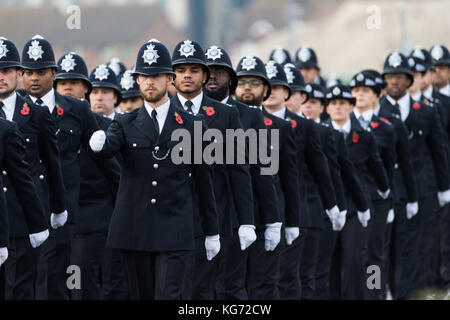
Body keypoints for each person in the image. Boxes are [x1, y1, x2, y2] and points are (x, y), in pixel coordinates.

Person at [88, 40, 220, 299]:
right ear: (137, 80)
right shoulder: (125, 123)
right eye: (144, 76)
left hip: (174, 228)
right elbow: (110, 146)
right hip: (134, 229)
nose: (150, 82)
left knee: (168, 295)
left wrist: (212, 230)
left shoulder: (192, 124)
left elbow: (204, 181)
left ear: (170, 79)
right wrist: (100, 143)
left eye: (156, 76)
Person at [169, 40, 255, 299]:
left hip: (213, 215)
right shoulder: (161, 112)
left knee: (205, 290)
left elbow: (238, 169)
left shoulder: (226, 114)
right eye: (180, 70)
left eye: (193, 70)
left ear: (203, 76)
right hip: (168, 217)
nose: (186, 76)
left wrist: (247, 221)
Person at [21, 35, 100, 300]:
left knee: (54, 279)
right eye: (29, 72)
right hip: (21, 210)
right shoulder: (11, 110)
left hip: (61, 212)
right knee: (22, 279)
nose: (34, 78)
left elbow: (104, 161)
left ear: (53, 73)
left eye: (41, 72)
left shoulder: (76, 109)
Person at [204, 47, 280, 299]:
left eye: (219, 72)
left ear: (231, 79)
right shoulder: (187, 112)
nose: (213, 77)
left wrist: (271, 220)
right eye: (209, 72)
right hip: (197, 215)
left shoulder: (249, 116)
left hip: (236, 216)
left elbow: (263, 171)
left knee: (231, 286)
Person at [379, 51, 450, 299]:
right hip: (386, 192)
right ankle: (381, 292)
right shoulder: (377, 112)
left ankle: (408, 294)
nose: (395, 83)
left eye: (400, 77)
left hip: (420, 190)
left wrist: (444, 188)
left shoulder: (426, 111)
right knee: (383, 250)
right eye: (390, 77)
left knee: (416, 247)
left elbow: (439, 151)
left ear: (410, 81)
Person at [0, 36, 66, 300]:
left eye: (6, 71)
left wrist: (58, 209)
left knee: (19, 289)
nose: (1, 77)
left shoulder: (37, 114)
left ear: (19, 73)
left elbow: (52, 164)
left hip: (23, 216)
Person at [325, 84, 389, 299]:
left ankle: (375, 294)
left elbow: (380, 168)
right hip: (331, 205)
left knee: (367, 257)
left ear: (351, 107)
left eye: (343, 103)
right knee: (333, 261)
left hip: (362, 205)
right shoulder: (321, 133)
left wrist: (387, 196)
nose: (338, 107)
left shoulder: (366, 135)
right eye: (333, 103)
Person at [349, 71, 396, 299]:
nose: (359, 95)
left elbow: (390, 169)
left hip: (377, 200)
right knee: (354, 253)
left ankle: (374, 293)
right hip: (351, 200)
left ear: (377, 95)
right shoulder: (344, 125)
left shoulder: (385, 128)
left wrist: (391, 202)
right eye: (356, 91)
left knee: (375, 254)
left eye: (365, 91)